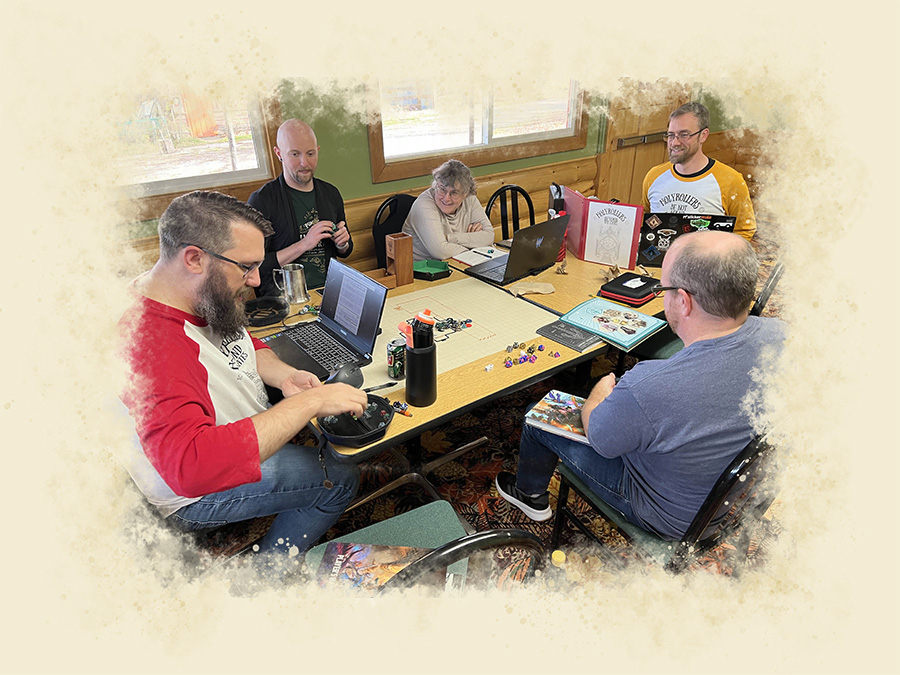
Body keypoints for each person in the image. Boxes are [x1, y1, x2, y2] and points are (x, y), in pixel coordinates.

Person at [119, 190, 366, 566]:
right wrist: (309, 402)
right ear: (194, 258)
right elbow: (191, 468)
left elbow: (241, 337)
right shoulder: (151, 343)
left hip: (230, 438)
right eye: (246, 266)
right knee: (342, 477)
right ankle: (265, 580)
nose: (254, 280)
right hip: (194, 492)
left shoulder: (182, 289)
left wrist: (284, 376)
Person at [495, 231, 785, 540]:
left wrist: (599, 395)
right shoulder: (784, 335)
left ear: (684, 301)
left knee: (538, 413)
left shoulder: (647, 386)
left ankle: (530, 496)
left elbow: (601, 438)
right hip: (725, 493)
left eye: (665, 288)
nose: (663, 295)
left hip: (671, 516)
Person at [248, 119, 353, 296]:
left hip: (328, 294)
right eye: (295, 154)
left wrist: (342, 243)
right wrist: (304, 244)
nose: (304, 162)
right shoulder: (262, 200)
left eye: (310, 154)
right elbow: (255, 267)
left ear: (318, 151)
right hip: (282, 300)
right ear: (279, 153)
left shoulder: (331, 193)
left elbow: (345, 251)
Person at [642, 102, 757, 241]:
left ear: (703, 135)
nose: (674, 143)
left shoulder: (731, 181)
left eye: (684, 135)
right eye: (671, 135)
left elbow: (744, 231)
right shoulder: (653, 176)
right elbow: (644, 222)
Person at [402, 159, 494, 261]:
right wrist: (474, 244)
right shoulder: (423, 205)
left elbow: (489, 236)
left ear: (465, 194)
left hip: (456, 265)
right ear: (435, 185)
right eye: (442, 189)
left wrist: (450, 238)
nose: (446, 198)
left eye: (454, 193)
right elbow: (440, 251)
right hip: (422, 271)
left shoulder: (470, 199)